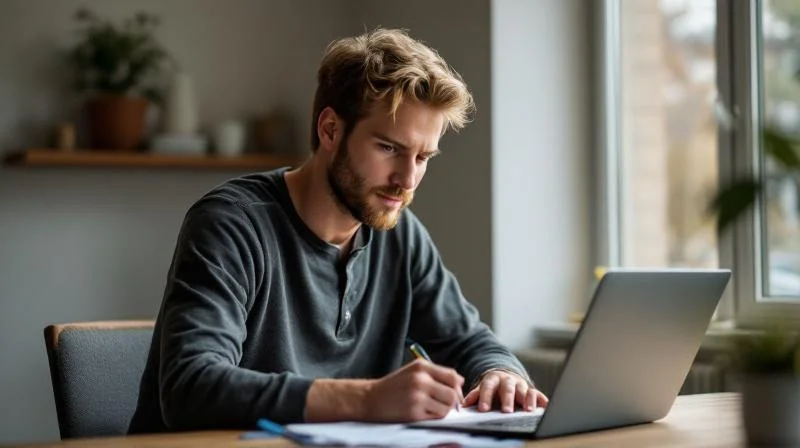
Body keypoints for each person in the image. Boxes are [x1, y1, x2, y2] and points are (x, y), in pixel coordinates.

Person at [128, 27, 548, 434]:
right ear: (330, 130)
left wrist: (500, 373)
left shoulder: (399, 234)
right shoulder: (232, 224)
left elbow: (469, 341)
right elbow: (190, 387)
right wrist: (365, 400)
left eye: (423, 157)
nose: (407, 179)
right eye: (389, 148)